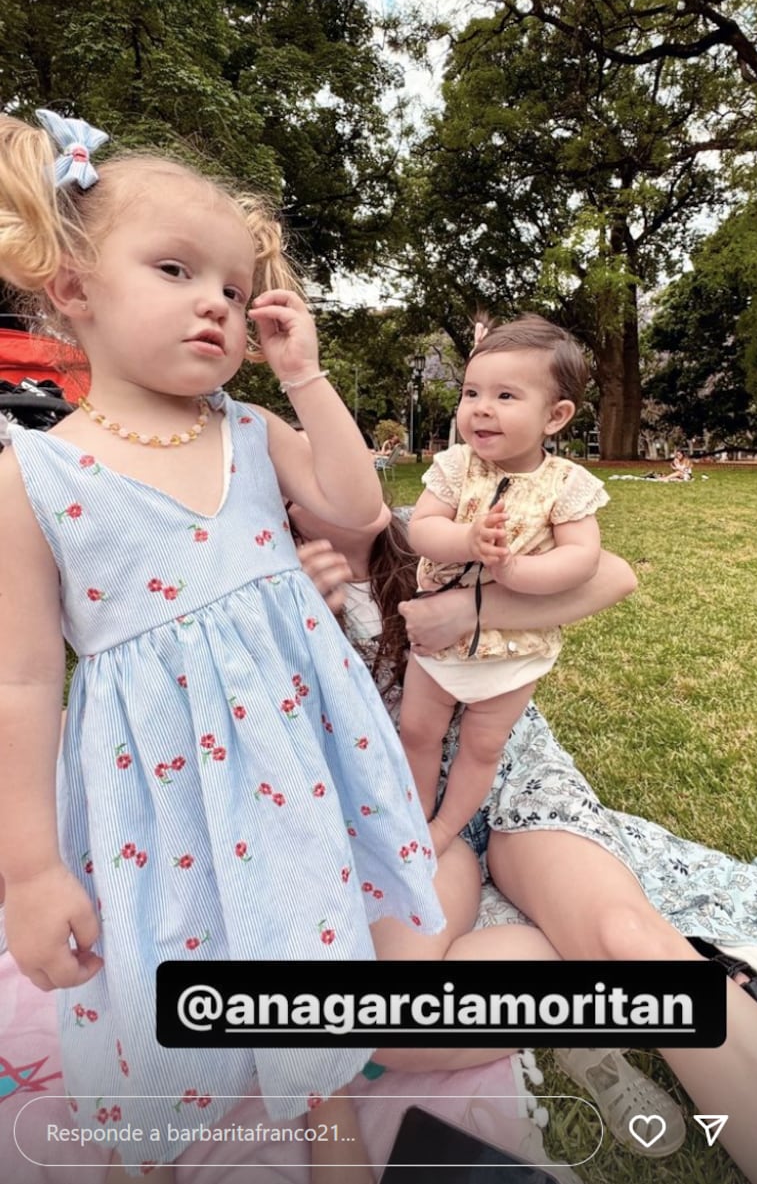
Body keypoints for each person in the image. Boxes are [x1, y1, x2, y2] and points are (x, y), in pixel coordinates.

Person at [0, 109, 445, 1181]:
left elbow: (353, 509)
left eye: (236, 291)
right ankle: (151, 1145)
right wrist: (27, 868)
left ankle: (321, 1100)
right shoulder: (30, 476)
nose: (217, 300)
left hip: (295, 757)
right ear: (72, 288)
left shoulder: (250, 429)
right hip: (155, 784)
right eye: (175, 268)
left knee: (309, 922)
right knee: (165, 953)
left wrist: (303, 375)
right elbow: (18, 680)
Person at [288, 501, 757, 1184]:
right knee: (375, 1026)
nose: (335, 472)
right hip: (404, 819)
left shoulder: (432, 530)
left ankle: (606, 960)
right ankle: (584, 980)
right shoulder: (262, 572)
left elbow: (610, 575)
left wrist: (475, 608)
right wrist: (284, 622)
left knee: (625, 934)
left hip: (511, 780)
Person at [401, 315, 608, 856]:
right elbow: (422, 531)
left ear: (555, 416)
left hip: (513, 651)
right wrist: (466, 541)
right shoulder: (454, 468)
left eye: (505, 395)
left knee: (483, 745)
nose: (481, 407)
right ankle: (414, 816)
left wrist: (517, 572)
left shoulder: (566, 485)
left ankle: (444, 831)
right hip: (438, 639)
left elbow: (583, 559)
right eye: (472, 392)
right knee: (417, 731)